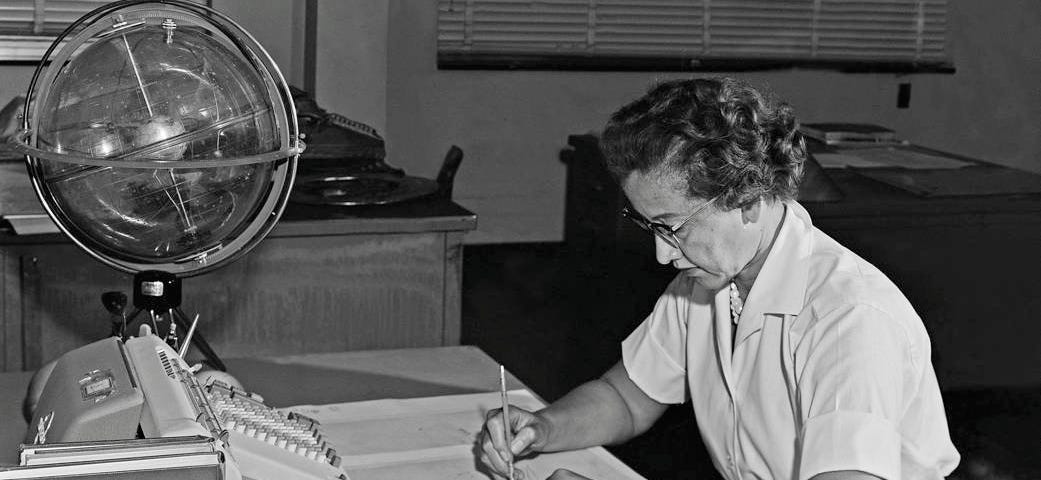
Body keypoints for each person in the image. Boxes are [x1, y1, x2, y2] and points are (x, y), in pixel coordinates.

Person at [477, 77, 960, 480]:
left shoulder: (849, 319)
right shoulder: (707, 282)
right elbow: (625, 398)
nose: (663, 254)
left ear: (748, 199)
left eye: (673, 227)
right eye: (650, 226)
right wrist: (542, 428)